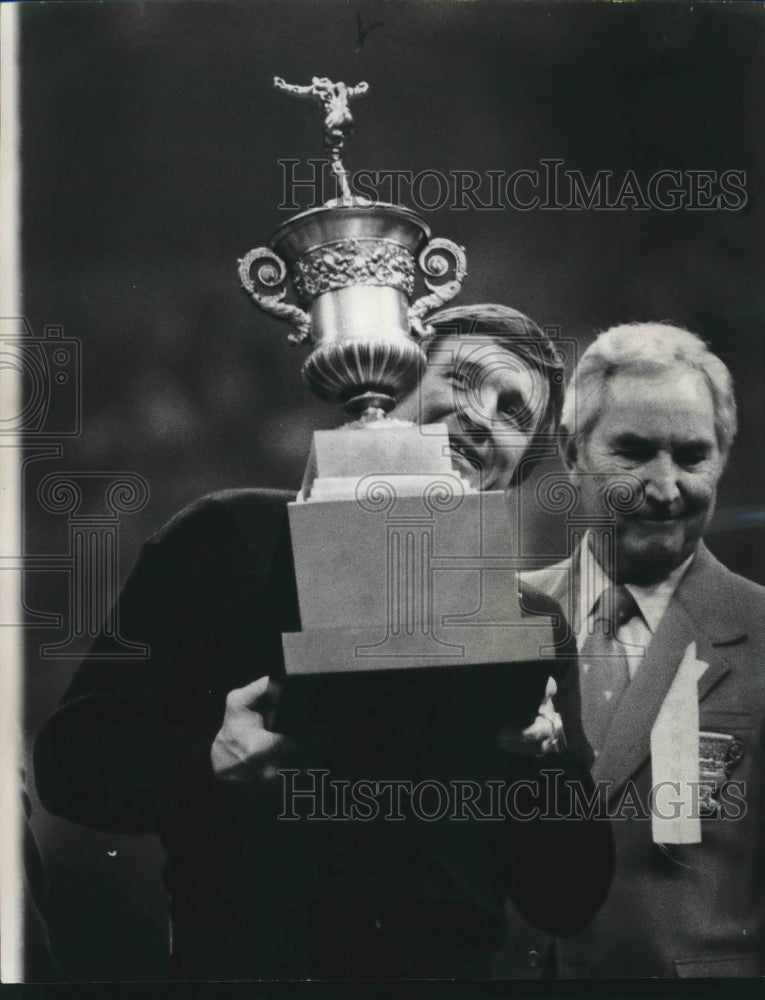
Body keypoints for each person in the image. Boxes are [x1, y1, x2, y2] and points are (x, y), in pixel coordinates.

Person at [34, 304, 613, 980]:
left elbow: (566, 902)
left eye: (513, 413)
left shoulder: (531, 626)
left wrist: (548, 767)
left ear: (515, 472)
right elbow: (70, 763)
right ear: (389, 388)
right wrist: (208, 761)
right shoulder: (227, 538)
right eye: (461, 380)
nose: (481, 418)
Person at [500, 321, 765, 978]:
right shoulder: (489, 621)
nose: (665, 486)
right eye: (634, 451)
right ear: (570, 452)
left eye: (692, 455)